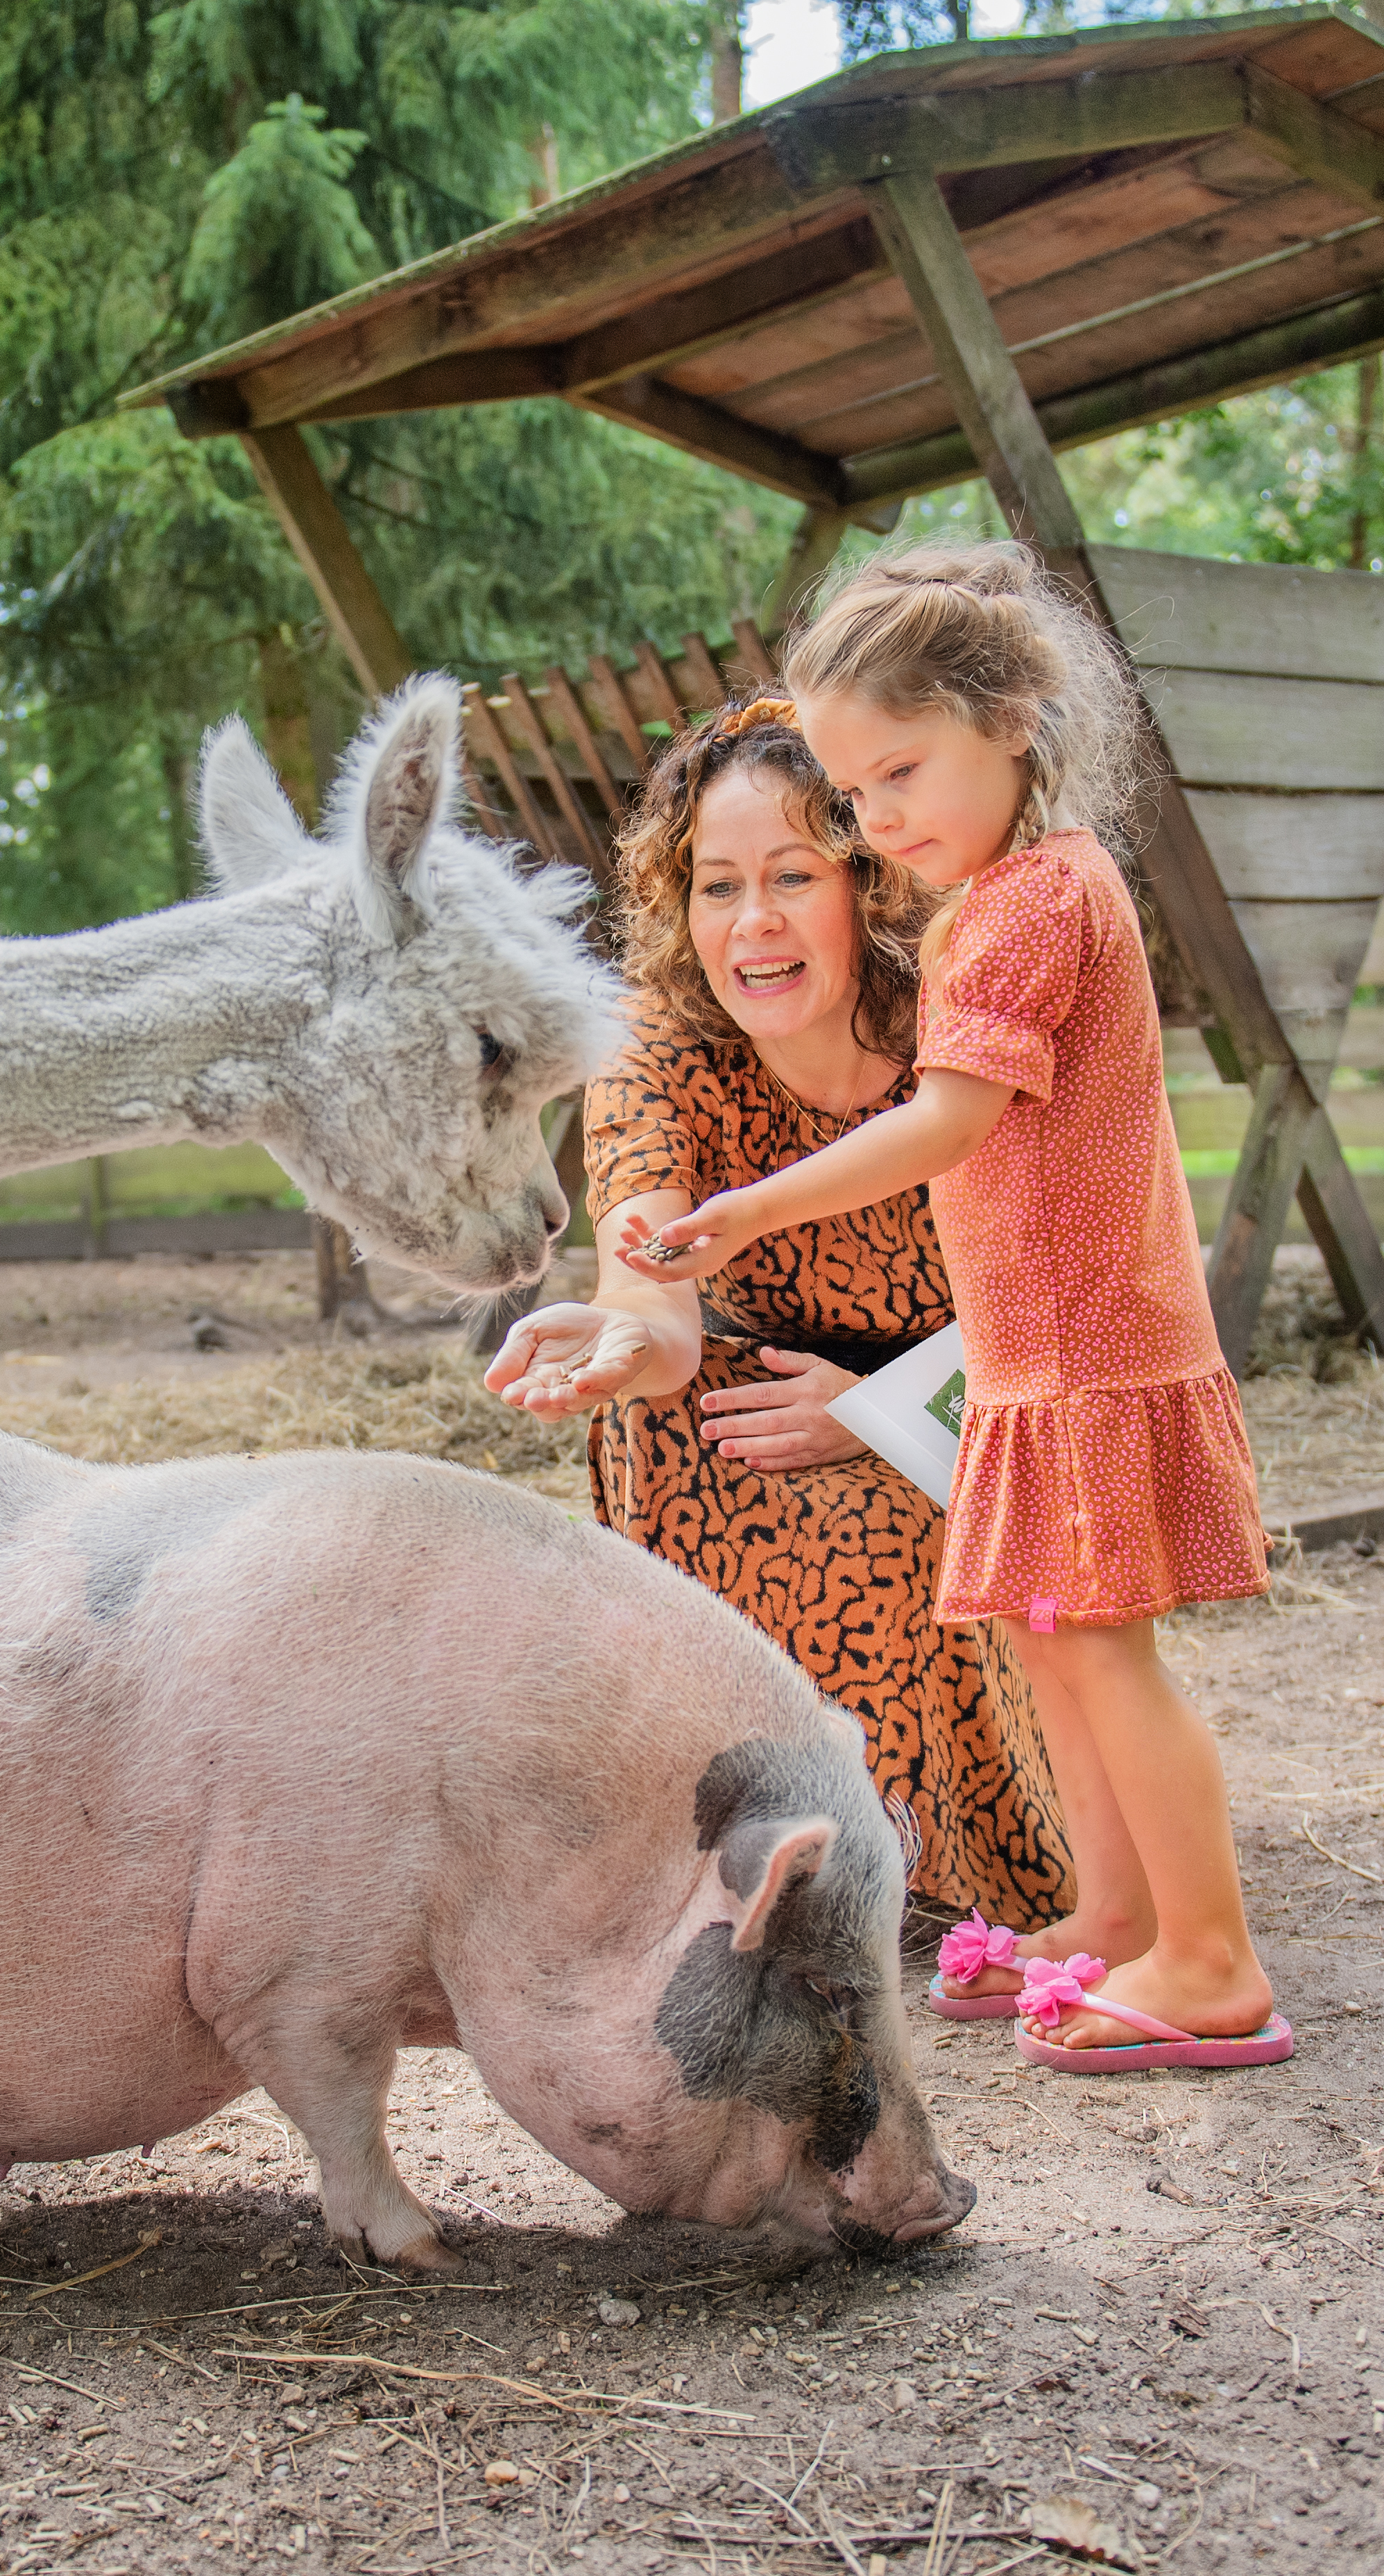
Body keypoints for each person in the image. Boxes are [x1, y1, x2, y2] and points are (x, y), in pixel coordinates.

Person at [618, 542, 1291, 2074]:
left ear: (1013, 721)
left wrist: (754, 1207)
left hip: (1080, 1346)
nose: (881, 819)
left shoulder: (1024, 906)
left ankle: (1211, 1957)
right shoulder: (1023, 889)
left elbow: (947, 1120)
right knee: (1054, 1643)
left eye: (902, 771)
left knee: (1104, 1655)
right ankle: (1114, 1913)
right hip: (1041, 1350)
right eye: (856, 794)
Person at [484, 697, 1072, 1935]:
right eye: (717, 886)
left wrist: (874, 1411)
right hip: (755, 1384)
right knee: (670, 1428)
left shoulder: (963, 1022)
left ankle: (909, 1863)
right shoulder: (653, 1047)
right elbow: (653, 1289)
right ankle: (705, 1849)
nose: (751, 921)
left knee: (883, 1530)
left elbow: (1064, 1300)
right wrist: (624, 1342)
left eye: (793, 876)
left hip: (975, 1397)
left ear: (868, 881)